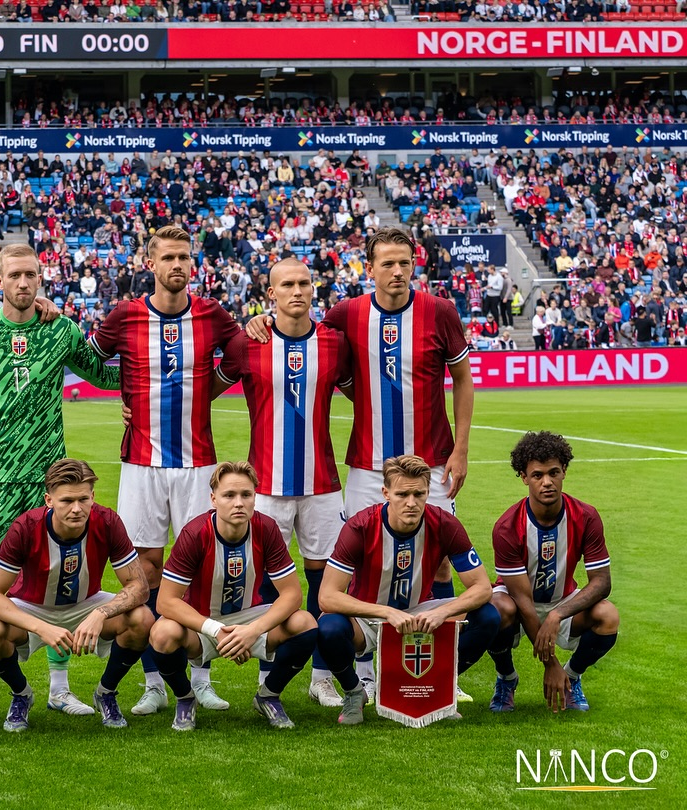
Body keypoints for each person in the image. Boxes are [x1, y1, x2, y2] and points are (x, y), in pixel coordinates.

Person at [248, 228, 474, 700]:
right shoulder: (346, 314)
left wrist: (461, 449)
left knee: (437, 565)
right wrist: (260, 323)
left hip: (431, 462)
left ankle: (436, 672)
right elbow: (307, 339)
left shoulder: (440, 311)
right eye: (387, 263)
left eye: (405, 262)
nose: (397, 271)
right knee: (361, 565)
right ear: (367, 269)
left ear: (416, 264)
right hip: (369, 466)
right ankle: (353, 671)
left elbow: (462, 378)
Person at [0, 244, 120, 723]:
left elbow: (105, 375)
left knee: (60, 577)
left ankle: (60, 689)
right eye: (15, 275)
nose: (24, 283)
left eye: (32, 275)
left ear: (42, 280)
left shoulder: (59, 329)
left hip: (49, 477)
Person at [87, 225, 242, 715]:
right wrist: (125, 396)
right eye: (168, 258)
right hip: (142, 463)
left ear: (192, 265)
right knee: (146, 568)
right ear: (150, 264)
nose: (177, 265)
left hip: (199, 464)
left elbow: (240, 357)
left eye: (184, 258)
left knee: (200, 570)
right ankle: (154, 680)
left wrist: (210, 389)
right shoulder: (125, 316)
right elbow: (90, 361)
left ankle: (200, 676)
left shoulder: (213, 314)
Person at [214, 258, 351, 707]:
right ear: (270, 293)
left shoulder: (335, 343)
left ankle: (323, 676)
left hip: (323, 484)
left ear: (315, 289)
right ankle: (269, 676)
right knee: (270, 583)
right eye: (287, 284)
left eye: (304, 283)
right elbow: (202, 391)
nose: (297, 290)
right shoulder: (245, 342)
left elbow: (364, 392)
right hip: (266, 484)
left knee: (326, 582)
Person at [316, 455, 499, 725]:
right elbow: (327, 596)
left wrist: (443, 612)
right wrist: (386, 612)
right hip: (370, 616)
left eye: (419, 494)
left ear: (428, 492)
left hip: (420, 613)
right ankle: (354, 692)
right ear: (386, 493)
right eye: (402, 494)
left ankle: (439, 688)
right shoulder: (360, 527)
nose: (411, 503)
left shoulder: (445, 525)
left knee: (488, 616)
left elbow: (482, 587)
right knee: (328, 626)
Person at [0, 459, 153, 732]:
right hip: (32, 607)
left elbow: (139, 586)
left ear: (93, 496)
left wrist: (99, 613)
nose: (76, 508)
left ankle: (106, 692)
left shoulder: (107, 521)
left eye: (83, 499)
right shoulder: (26, 527)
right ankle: (21, 694)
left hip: (86, 604)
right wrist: (41, 627)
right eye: (66, 500)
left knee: (142, 618)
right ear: (49, 500)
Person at [149, 461, 318, 731]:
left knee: (305, 623)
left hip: (251, 617)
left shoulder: (267, 528)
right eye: (229, 495)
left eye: (246, 495)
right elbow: (166, 601)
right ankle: (185, 698)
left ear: (255, 498)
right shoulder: (194, 534)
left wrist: (253, 631)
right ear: (214, 499)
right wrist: (216, 630)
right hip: (205, 622)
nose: (238, 503)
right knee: (162, 633)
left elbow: (292, 594)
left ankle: (268, 695)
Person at [486, 432, 618, 714]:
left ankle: (572, 679)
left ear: (564, 472)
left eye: (553, 473)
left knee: (608, 616)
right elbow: (522, 600)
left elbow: (602, 583)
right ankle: (506, 678)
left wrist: (558, 614)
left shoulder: (586, 516)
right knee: (495, 612)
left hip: (563, 600)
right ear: (523, 477)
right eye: (537, 475)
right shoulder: (507, 527)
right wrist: (550, 664)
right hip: (518, 603)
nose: (547, 482)